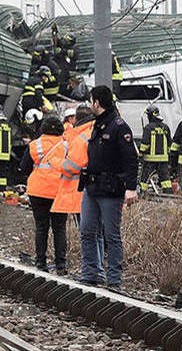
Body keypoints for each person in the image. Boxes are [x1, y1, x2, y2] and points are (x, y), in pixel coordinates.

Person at [78, 86, 138, 287]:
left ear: (97, 103)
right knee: (87, 231)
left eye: (91, 101)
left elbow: (131, 159)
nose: (89, 105)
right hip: (92, 187)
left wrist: (131, 188)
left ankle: (113, 279)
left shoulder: (119, 126)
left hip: (111, 189)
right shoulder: (98, 124)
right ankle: (90, 274)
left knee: (111, 235)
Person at [52, 106, 104, 282]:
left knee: (88, 233)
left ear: (77, 120)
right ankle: (99, 270)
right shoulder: (99, 131)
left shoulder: (80, 137)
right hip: (100, 189)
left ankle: (92, 272)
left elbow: (72, 167)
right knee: (98, 233)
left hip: (80, 192)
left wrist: (57, 162)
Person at [19, 115, 67, 273]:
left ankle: (41, 263)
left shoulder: (35, 145)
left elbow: (24, 167)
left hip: (37, 191)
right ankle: (61, 265)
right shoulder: (67, 145)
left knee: (41, 227)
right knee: (59, 228)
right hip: (59, 191)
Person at [138, 105, 172, 195]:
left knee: (145, 179)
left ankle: (142, 195)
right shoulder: (165, 127)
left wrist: (140, 154)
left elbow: (145, 144)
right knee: (165, 179)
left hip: (150, 159)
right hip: (163, 160)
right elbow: (170, 144)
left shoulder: (148, 128)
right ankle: (169, 195)